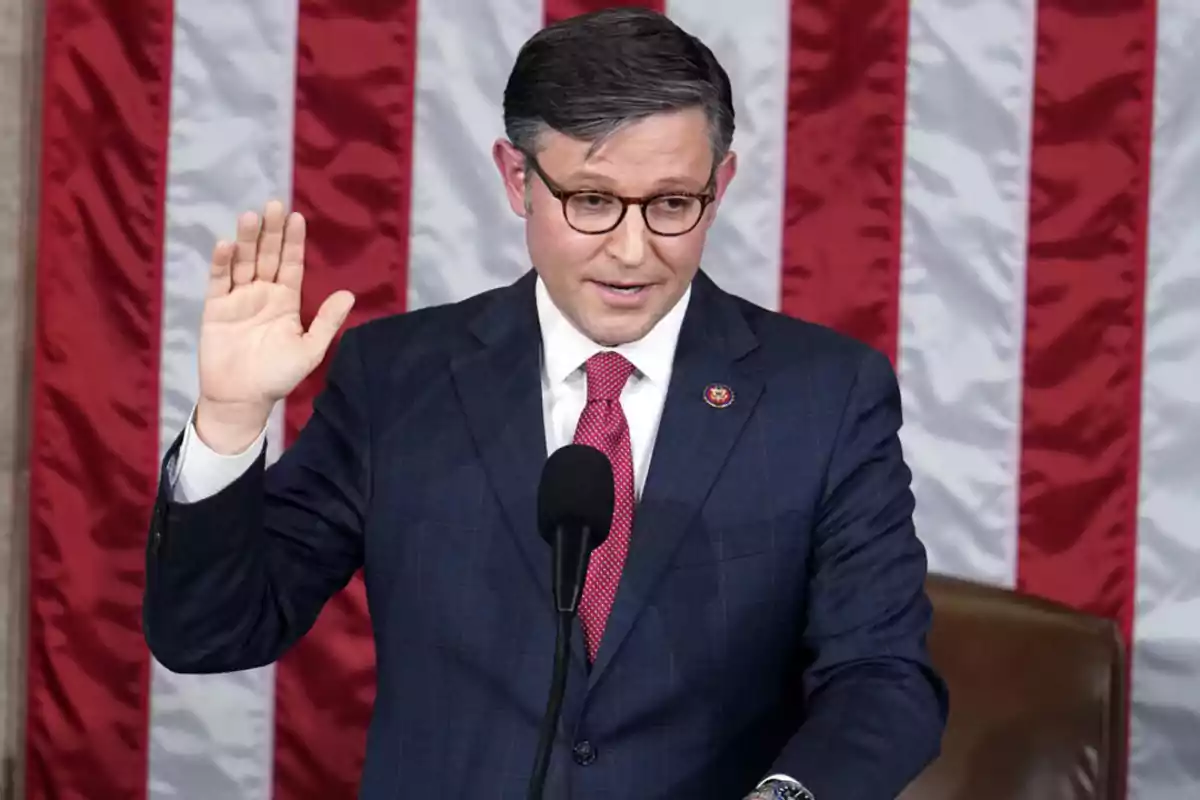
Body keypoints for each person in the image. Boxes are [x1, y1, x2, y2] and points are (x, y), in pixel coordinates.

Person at [142, 8, 948, 799]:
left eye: (672, 204)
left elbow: (882, 677)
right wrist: (230, 420)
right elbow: (213, 634)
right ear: (516, 178)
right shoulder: (396, 380)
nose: (632, 251)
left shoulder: (824, 395)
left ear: (720, 183)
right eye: (592, 201)